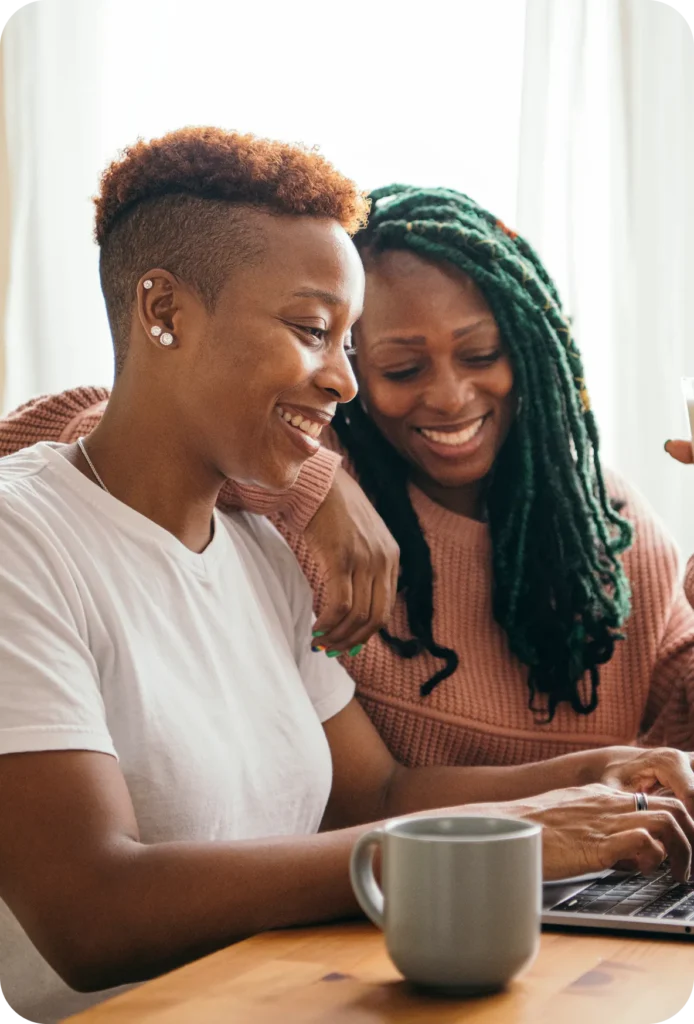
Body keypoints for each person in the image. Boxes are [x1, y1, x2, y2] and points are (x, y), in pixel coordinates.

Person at [1, 133, 694, 1023]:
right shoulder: (25, 541)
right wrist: (514, 835)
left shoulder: (261, 549)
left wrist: (602, 771)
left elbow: (374, 795)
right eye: (313, 331)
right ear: (163, 310)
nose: (346, 382)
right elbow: (91, 914)